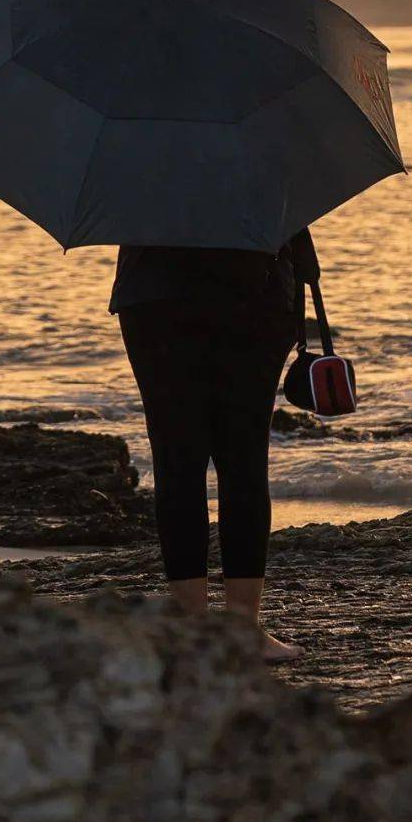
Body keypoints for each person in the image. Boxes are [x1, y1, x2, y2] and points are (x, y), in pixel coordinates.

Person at [111, 229, 320, 661]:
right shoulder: (265, 156)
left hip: (157, 294)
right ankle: (241, 627)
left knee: (178, 461)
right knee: (239, 461)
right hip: (251, 285)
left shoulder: (137, 158)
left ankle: (196, 628)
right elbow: (294, 201)